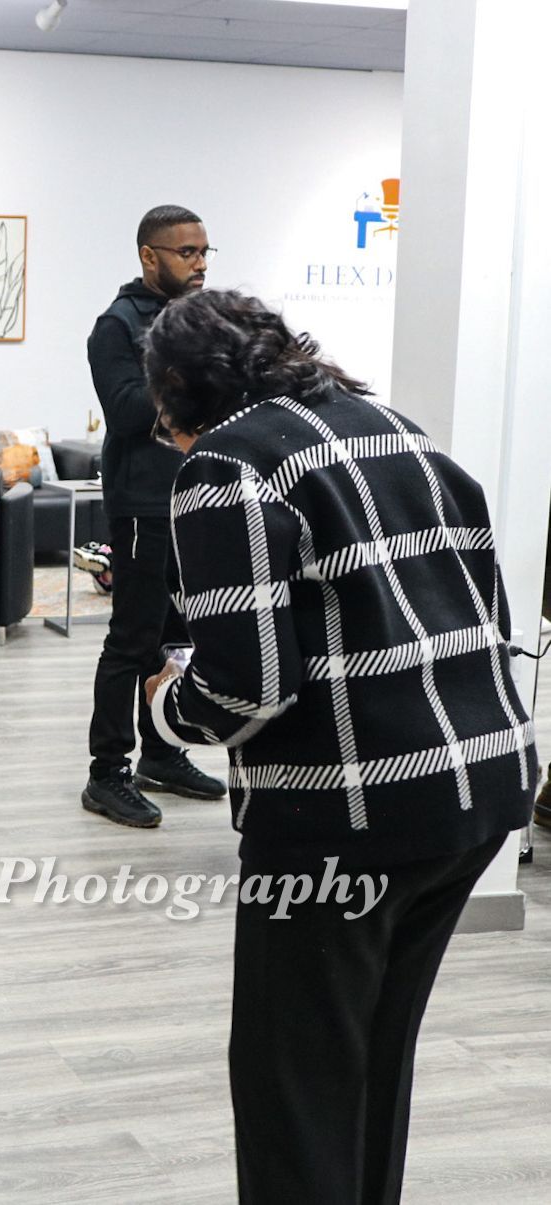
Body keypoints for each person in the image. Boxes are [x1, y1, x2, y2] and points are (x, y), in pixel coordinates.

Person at [143, 289, 537, 1204]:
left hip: (346, 817)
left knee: (293, 1086)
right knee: (373, 1056)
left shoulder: (227, 464)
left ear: (176, 389)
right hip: (479, 790)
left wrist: (165, 708)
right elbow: (484, 610)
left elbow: (248, 685)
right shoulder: (398, 430)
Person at [80, 204, 226, 828]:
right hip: (142, 502)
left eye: (204, 252)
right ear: (150, 256)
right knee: (133, 639)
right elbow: (126, 411)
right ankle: (106, 772)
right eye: (187, 252)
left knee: (177, 637)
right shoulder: (116, 326)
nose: (199, 263)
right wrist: (195, 373)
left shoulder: (203, 318)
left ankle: (162, 751)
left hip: (195, 497)